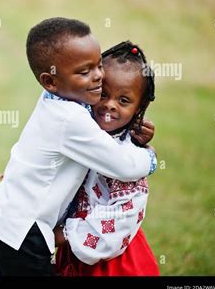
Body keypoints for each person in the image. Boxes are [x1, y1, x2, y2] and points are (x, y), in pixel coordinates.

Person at [0, 18, 157, 276]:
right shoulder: (70, 118)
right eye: (84, 72)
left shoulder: (56, 99)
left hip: (6, 223)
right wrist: (150, 157)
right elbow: (124, 166)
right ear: (50, 81)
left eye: (98, 65)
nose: (99, 76)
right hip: (24, 233)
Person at [54, 41, 160, 276]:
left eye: (123, 100)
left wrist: (65, 234)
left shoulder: (127, 160)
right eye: (103, 93)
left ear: (139, 108)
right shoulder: (78, 130)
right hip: (74, 251)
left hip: (110, 259)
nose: (110, 105)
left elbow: (120, 220)